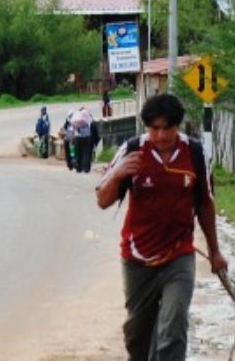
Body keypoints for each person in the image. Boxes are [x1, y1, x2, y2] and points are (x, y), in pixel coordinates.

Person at [97, 93, 226, 361]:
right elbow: (102, 200)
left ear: (177, 126)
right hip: (137, 258)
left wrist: (215, 252)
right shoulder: (132, 150)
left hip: (179, 256)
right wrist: (119, 173)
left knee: (173, 329)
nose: (160, 135)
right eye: (154, 128)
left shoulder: (195, 153)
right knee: (137, 337)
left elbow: (204, 204)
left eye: (167, 128)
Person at [68, 105, 94, 173]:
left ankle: (78, 169)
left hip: (78, 137)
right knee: (86, 153)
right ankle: (86, 169)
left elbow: (71, 128)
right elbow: (91, 124)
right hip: (87, 136)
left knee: (78, 153)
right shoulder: (88, 116)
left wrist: (71, 138)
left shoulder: (75, 117)